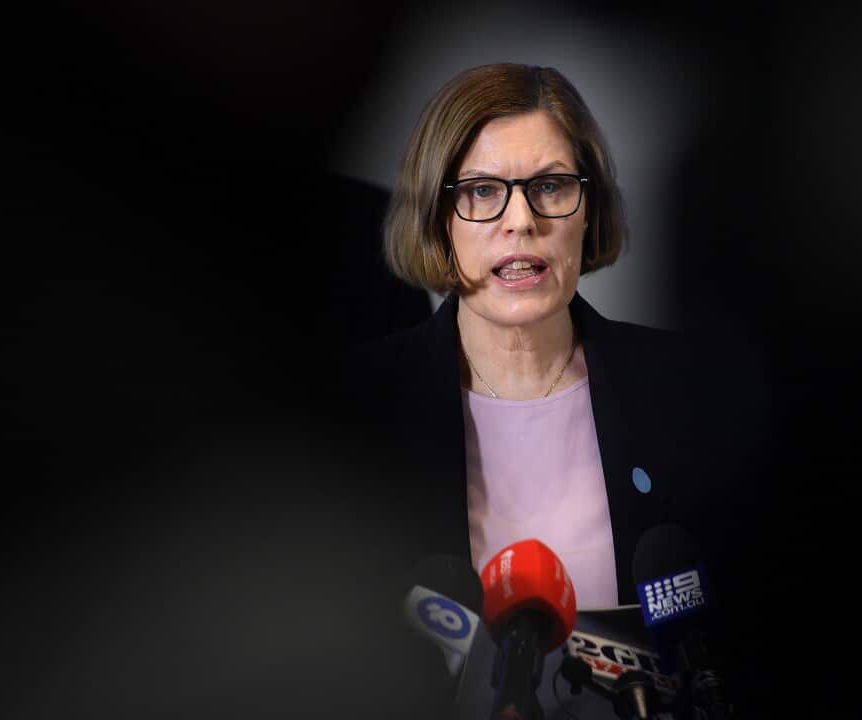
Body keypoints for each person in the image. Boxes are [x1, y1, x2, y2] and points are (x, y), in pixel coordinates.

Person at [332, 64, 778, 717]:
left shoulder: (694, 391)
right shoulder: (353, 409)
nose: (521, 220)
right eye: (483, 192)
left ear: (589, 208)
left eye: (550, 186)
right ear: (437, 216)